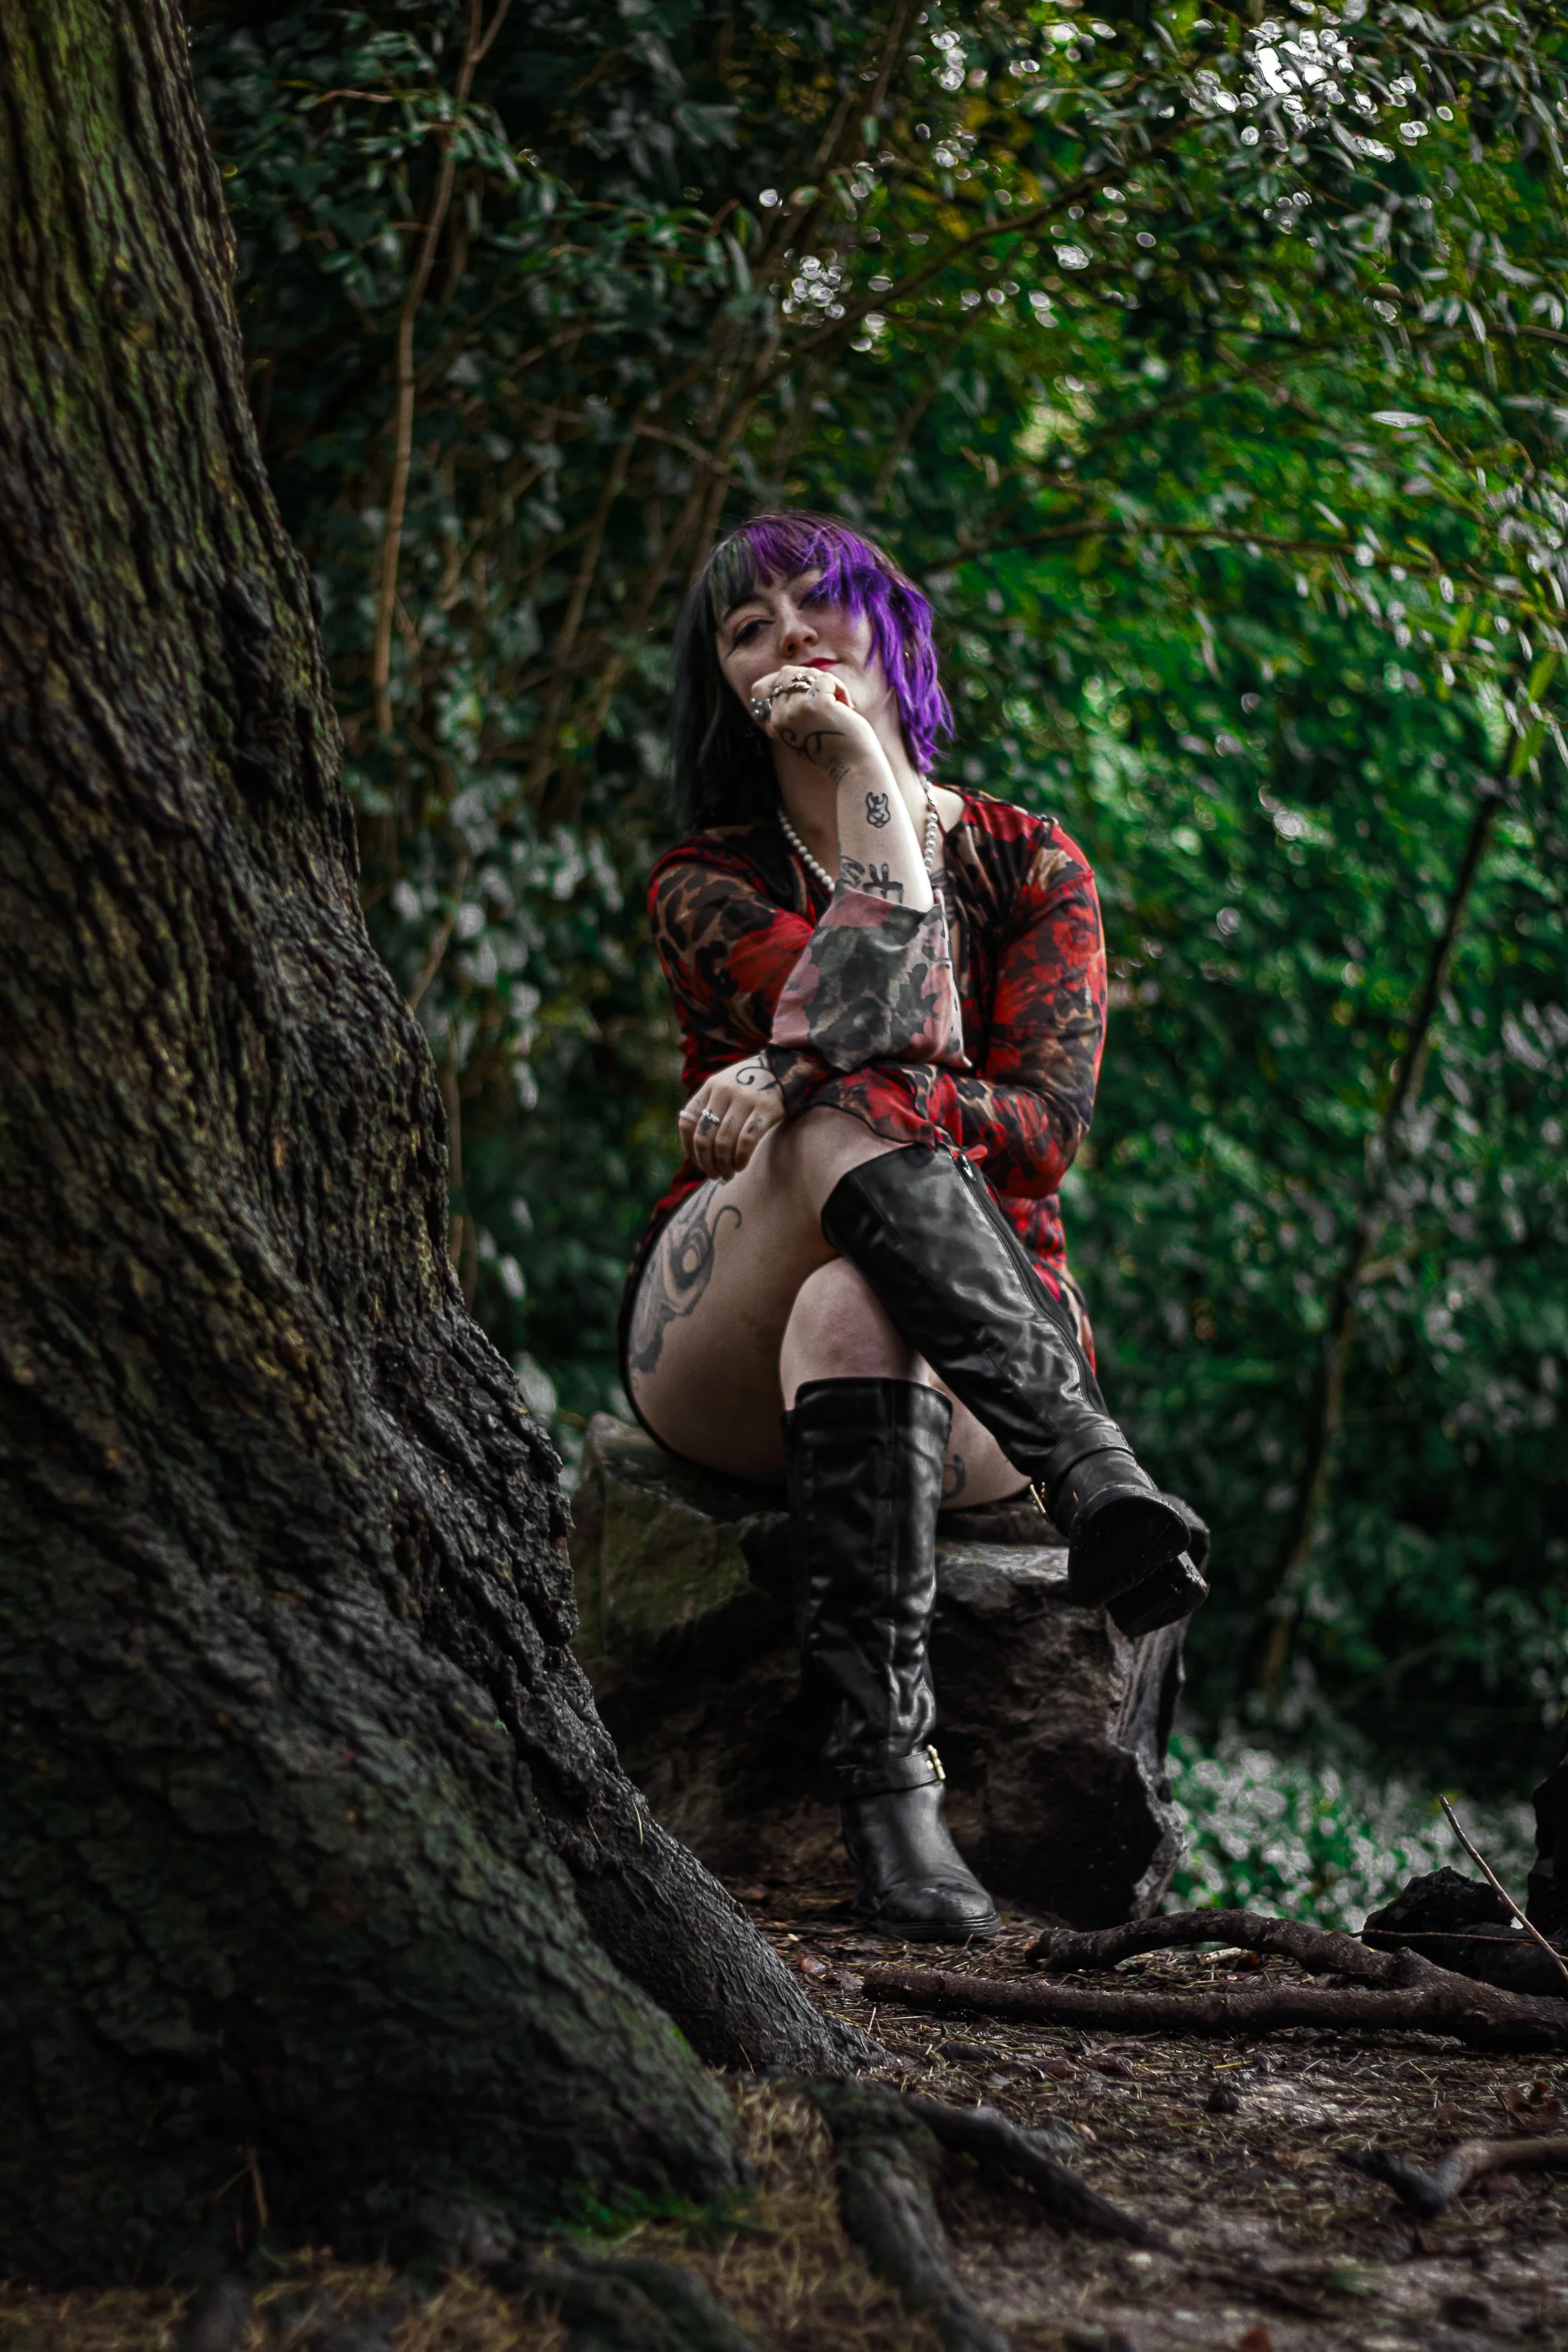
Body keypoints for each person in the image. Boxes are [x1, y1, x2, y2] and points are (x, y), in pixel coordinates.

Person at [619, 511, 1207, 1944]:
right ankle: (1094, 1469)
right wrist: (864, 777)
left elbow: (1046, 1131)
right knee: (837, 1122)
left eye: (821, 604)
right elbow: (891, 1020)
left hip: (968, 1343)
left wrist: (800, 1064)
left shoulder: (1030, 863)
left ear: (895, 637)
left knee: (852, 1284)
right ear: (729, 689)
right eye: (749, 627)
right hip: (719, 1321)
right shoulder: (709, 881)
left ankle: (889, 1791)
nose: (791, 636)